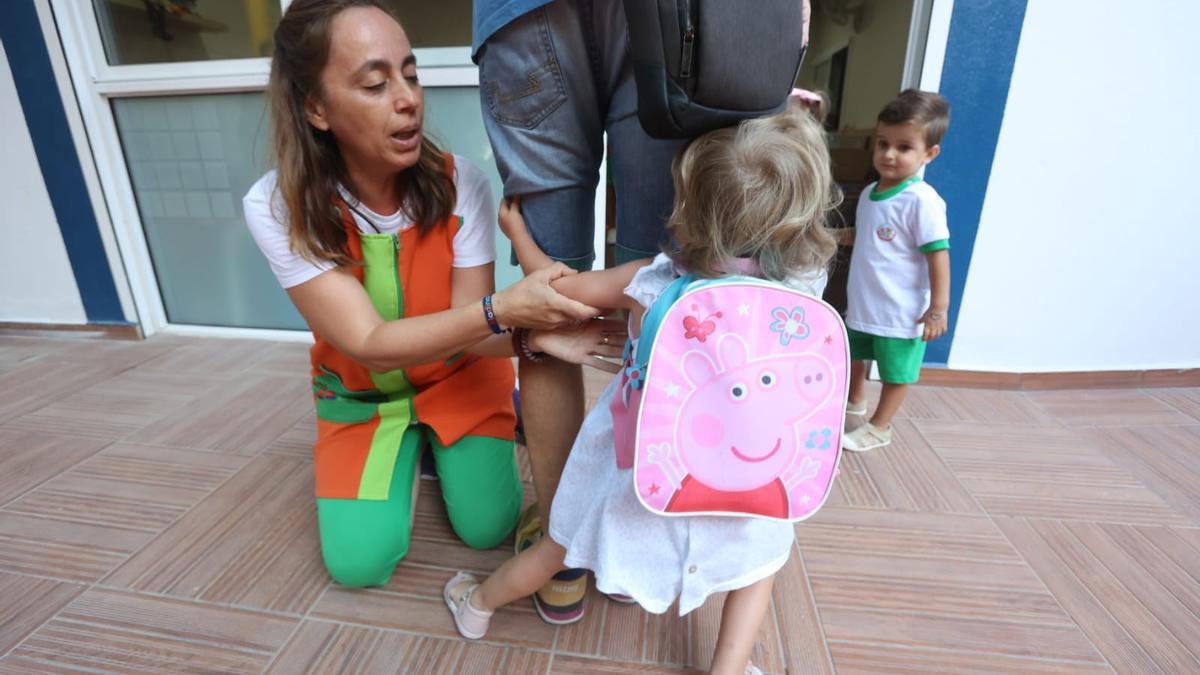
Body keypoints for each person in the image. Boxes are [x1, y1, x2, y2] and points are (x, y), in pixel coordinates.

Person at [443, 102, 839, 675]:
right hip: (752, 481)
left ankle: (477, 605)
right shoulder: (807, 285)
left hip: (643, 472)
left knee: (561, 545)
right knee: (758, 568)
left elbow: (559, 291)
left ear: (690, 209)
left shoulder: (652, 280)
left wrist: (519, 234)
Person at [243, 0, 621, 589]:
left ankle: (468, 428)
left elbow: (474, 338)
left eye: (411, 74)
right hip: (360, 398)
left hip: (460, 381)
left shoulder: (457, 182)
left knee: (489, 527)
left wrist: (538, 337)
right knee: (359, 566)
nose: (407, 98)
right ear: (316, 108)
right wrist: (505, 312)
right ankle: (408, 442)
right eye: (375, 82)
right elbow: (369, 343)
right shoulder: (277, 208)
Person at [471, 0, 692, 623]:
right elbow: (654, 282)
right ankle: (629, 536)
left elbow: (546, 291)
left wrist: (520, 244)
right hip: (676, 16)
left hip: (523, 13)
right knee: (666, 279)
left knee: (550, 304)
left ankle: (561, 552)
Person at [841, 89, 952, 452]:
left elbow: (939, 255)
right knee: (856, 353)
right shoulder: (872, 190)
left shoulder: (921, 200)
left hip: (900, 310)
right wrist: (835, 236)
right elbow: (868, 236)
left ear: (929, 154)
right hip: (864, 303)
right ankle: (854, 400)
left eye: (904, 148)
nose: (889, 154)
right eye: (882, 143)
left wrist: (938, 308)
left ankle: (880, 426)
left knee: (896, 371)